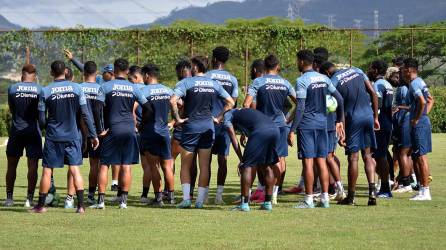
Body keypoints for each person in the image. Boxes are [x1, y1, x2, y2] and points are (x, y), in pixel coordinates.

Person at [30, 60, 99, 214]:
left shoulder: (45, 91)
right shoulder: (77, 88)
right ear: (66, 72)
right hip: (73, 135)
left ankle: (41, 206)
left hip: (54, 137)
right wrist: (93, 135)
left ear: (51, 73)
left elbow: (41, 119)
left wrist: (48, 127)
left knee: (47, 170)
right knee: (75, 169)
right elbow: (85, 114)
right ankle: (81, 206)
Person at [170, 56, 234, 209]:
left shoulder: (186, 82)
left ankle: (186, 199)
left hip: (191, 127)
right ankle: (199, 201)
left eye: (192, 66)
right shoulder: (214, 84)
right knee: (204, 165)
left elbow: (173, 100)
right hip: (208, 127)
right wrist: (218, 117)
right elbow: (231, 102)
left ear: (196, 67)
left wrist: (177, 119)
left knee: (185, 165)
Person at [93, 58, 153, 209]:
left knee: (104, 165)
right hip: (129, 130)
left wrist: (100, 130)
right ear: (127, 71)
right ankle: (123, 202)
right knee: (126, 165)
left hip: (111, 130)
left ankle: (101, 202)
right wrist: (140, 125)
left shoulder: (105, 86)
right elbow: (149, 109)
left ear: (113, 71)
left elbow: (96, 109)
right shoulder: (134, 88)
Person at [288, 50, 345, 208]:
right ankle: (325, 198)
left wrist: (292, 130)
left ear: (301, 62)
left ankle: (308, 200)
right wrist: (339, 120)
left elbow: (300, 107)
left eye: (297, 60)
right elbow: (339, 98)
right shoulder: (324, 78)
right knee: (321, 160)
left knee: (308, 162)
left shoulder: (302, 81)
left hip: (307, 125)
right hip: (323, 124)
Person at [320, 61, 380, 206]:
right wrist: (375, 117)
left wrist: (342, 130)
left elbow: (337, 105)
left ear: (327, 73)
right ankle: (372, 192)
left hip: (353, 119)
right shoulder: (357, 70)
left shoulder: (333, 81)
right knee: (368, 155)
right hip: (368, 115)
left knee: (353, 158)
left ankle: (351, 197)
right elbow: (373, 93)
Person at [243, 54, 297, 205]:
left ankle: (259, 192)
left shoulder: (258, 81)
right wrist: (288, 119)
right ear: (278, 66)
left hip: (262, 126)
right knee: (278, 159)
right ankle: (273, 194)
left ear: (265, 67)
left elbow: (247, 104)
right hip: (280, 125)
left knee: (259, 160)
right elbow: (299, 103)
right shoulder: (285, 83)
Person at [225, 108, 280, 212]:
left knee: (247, 166)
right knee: (267, 165)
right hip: (275, 130)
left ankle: (244, 204)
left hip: (261, 131)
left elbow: (233, 137)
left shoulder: (228, 115)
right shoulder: (244, 111)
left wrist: (242, 159)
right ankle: (267, 203)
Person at [5, 64, 42, 208]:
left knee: (11, 165)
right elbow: (41, 112)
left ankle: (9, 198)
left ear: (22, 75)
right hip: (33, 130)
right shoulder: (40, 90)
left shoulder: (13, 88)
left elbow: (12, 109)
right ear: (35, 76)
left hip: (16, 130)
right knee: (33, 166)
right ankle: (29, 199)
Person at [206, 46, 239, 204]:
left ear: (214, 59)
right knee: (223, 159)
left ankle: (203, 194)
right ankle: (218, 196)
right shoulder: (233, 79)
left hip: (209, 122)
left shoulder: (207, 76)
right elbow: (233, 103)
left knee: (205, 160)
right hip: (225, 122)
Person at [139, 63, 175, 206]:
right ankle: (171, 198)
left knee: (154, 166)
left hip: (150, 132)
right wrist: (174, 121)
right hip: (165, 132)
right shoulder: (168, 90)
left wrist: (140, 125)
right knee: (167, 165)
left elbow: (136, 109)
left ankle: (158, 198)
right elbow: (179, 104)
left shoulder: (143, 91)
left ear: (147, 75)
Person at [402, 58, 434, 201]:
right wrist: (424, 114)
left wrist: (417, 118)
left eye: (403, 69)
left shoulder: (414, 84)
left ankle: (426, 192)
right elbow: (431, 99)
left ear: (409, 70)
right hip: (422, 121)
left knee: (421, 157)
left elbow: (422, 101)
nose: (401, 72)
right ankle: (422, 190)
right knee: (417, 156)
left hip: (419, 124)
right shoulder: (420, 81)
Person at [171, 59, 198, 200]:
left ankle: (169, 191)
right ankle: (191, 192)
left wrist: (176, 120)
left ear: (181, 70)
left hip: (182, 128)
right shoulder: (197, 83)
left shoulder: (181, 84)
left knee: (171, 158)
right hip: (197, 126)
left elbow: (177, 102)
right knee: (192, 161)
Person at [78, 61, 105, 205]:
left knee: (74, 165)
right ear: (96, 73)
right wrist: (101, 131)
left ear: (83, 73)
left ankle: (71, 197)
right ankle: (90, 195)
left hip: (81, 131)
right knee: (96, 165)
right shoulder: (101, 89)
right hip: (97, 132)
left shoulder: (78, 88)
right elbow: (100, 111)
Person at [368, 60, 394, 198]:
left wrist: (373, 118)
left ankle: (385, 188)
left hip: (381, 123)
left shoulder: (378, 85)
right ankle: (384, 186)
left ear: (376, 70)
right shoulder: (388, 84)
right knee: (380, 155)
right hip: (388, 122)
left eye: (371, 68)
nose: (369, 71)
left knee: (381, 156)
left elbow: (377, 104)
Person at [128, 65, 152, 204]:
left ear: (137, 77)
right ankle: (145, 195)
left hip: (138, 131)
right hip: (150, 130)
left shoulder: (136, 89)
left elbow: (132, 108)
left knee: (126, 163)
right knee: (149, 165)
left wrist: (135, 123)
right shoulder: (151, 88)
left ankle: (122, 194)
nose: (130, 82)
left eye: (131, 79)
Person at [390, 67, 415, 193]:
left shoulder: (404, 88)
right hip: (402, 122)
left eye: (399, 76)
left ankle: (406, 183)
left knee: (403, 153)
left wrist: (397, 107)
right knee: (404, 153)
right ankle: (404, 181)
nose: (397, 78)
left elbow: (410, 106)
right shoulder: (403, 87)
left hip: (405, 122)